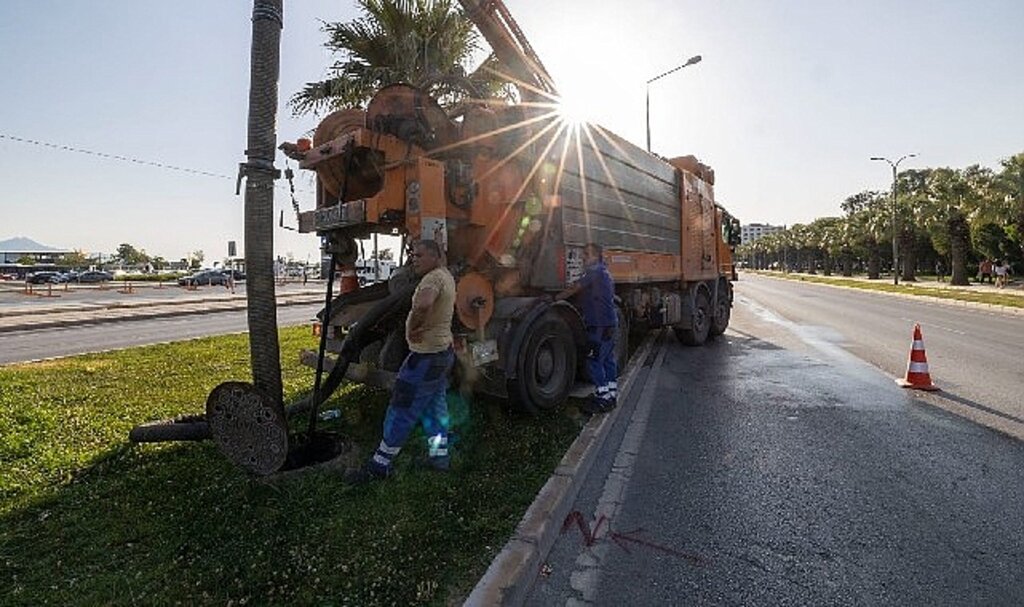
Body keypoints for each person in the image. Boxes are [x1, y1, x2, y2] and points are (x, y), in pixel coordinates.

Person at [346, 240, 456, 483]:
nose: (413, 259)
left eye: (419, 255)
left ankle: (380, 465)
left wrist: (415, 325)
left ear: (435, 257)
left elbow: (424, 303)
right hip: (441, 355)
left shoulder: (431, 280)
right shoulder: (445, 274)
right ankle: (440, 458)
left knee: (402, 407)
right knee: (436, 409)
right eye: (411, 254)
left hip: (424, 358)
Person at [555, 243, 618, 415]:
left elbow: (576, 287)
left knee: (593, 361)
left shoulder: (594, 270)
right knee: (607, 359)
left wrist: (555, 298)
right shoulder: (604, 270)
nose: (583, 257)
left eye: (587, 254)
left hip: (599, 325)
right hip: (609, 323)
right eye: (583, 254)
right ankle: (611, 395)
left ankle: (603, 399)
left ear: (596, 255)